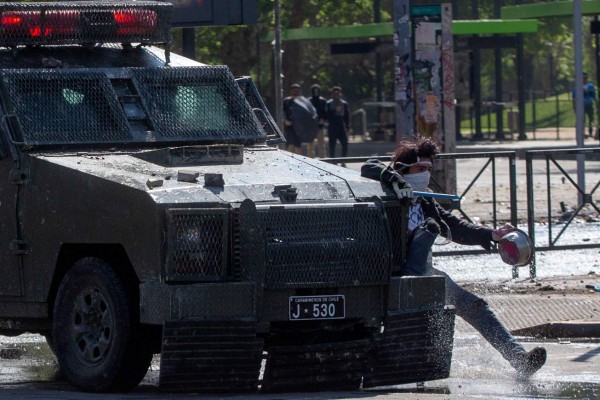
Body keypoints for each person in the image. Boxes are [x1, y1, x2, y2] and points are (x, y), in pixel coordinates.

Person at [361, 136, 547, 379]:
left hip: (424, 274)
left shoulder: (425, 198)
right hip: (387, 273)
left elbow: (454, 226)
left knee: (475, 306)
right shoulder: (385, 189)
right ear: (402, 169)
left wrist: (491, 234)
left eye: (429, 169)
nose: (425, 175)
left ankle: (519, 359)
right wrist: (394, 180)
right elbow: (368, 165)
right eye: (420, 169)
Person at [283, 83, 319, 155]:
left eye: (297, 89)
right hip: (289, 126)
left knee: (298, 145)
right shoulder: (286, 101)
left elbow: (310, 113)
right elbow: (282, 111)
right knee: (290, 144)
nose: (295, 91)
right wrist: (285, 120)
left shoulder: (304, 101)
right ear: (291, 91)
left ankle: (298, 162)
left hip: (299, 127)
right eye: (294, 89)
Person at [325, 86, 350, 159]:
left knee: (345, 144)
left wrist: (347, 127)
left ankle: (343, 160)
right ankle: (333, 160)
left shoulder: (344, 103)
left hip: (341, 125)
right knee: (332, 145)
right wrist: (334, 111)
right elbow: (327, 115)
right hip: (332, 126)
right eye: (335, 93)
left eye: (338, 93)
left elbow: (346, 116)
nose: (336, 95)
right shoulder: (329, 103)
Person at [572, 72, 596, 137]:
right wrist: (574, 106)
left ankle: (590, 132)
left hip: (589, 105)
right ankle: (581, 133)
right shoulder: (577, 86)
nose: (584, 79)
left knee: (591, 119)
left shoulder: (590, 85)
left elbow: (593, 95)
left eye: (585, 78)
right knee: (581, 120)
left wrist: (586, 90)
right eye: (582, 78)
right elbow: (574, 96)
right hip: (580, 106)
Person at [309, 84, 327, 158]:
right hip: (311, 126)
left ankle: (322, 158)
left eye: (317, 90)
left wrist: (323, 119)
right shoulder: (309, 100)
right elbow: (308, 112)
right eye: (314, 90)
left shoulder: (323, 100)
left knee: (321, 144)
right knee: (310, 144)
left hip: (320, 125)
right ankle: (310, 158)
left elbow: (325, 112)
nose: (316, 92)